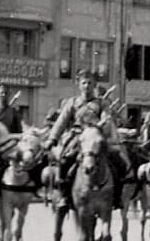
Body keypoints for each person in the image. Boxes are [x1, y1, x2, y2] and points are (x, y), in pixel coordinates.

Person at [46, 70, 132, 210]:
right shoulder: (72, 103)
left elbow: (106, 117)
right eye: (84, 83)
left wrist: (103, 122)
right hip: (78, 138)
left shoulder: (101, 103)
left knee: (119, 161)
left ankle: (116, 197)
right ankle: (64, 196)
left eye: (90, 83)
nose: (87, 86)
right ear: (78, 84)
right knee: (65, 161)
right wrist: (52, 139)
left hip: (96, 137)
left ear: (95, 85)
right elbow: (61, 122)